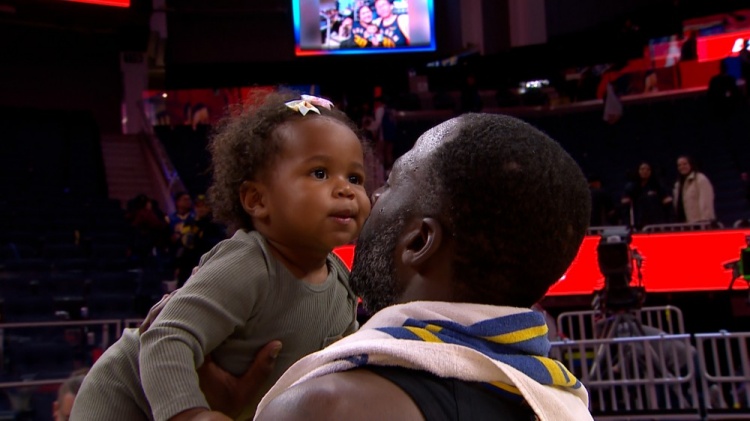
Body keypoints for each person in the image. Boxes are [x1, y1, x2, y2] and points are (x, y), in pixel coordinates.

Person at [253, 113, 594, 420]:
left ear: (418, 242)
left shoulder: (327, 406)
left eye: (390, 183)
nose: (373, 196)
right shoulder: (564, 404)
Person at [69, 93, 370, 421]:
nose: (346, 189)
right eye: (320, 173)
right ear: (257, 199)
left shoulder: (342, 283)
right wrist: (191, 414)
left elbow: (340, 367)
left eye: (354, 178)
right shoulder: (249, 262)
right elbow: (166, 336)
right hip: (123, 398)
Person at [622, 162, 672, 229]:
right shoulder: (631, 188)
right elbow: (626, 209)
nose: (645, 171)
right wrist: (628, 224)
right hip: (638, 224)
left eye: (647, 169)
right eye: (642, 169)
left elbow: (668, 207)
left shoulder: (658, 186)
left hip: (656, 225)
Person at [673, 155, 715, 223]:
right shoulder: (678, 184)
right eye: (679, 165)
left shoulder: (700, 179)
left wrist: (705, 220)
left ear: (691, 164)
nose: (682, 167)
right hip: (683, 223)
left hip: (699, 222)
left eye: (685, 164)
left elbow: (706, 202)